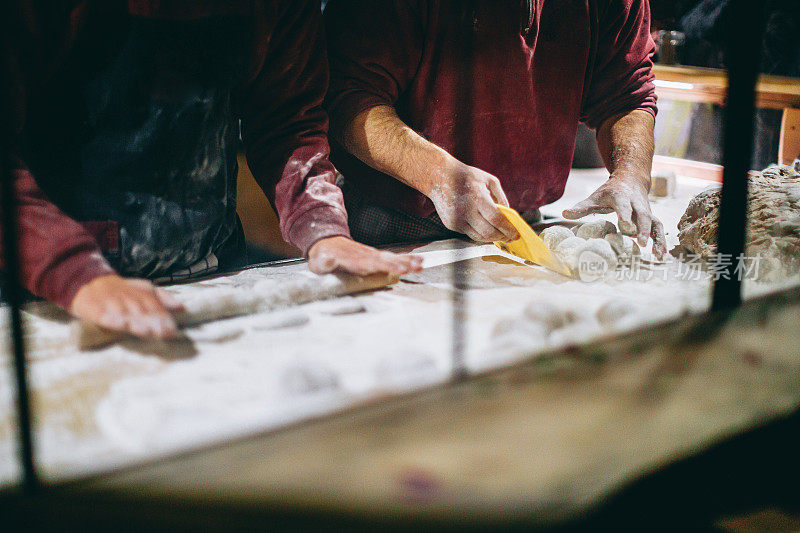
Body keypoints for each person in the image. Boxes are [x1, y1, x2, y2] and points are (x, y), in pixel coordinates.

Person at [0, 0, 421, 339]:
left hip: (210, 261)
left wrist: (323, 228)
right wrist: (72, 270)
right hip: (45, 286)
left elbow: (288, 119)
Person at [323, 0, 667, 257]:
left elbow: (626, 94)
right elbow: (350, 97)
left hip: (519, 222)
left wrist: (630, 175)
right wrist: (438, 174)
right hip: (390, 221)